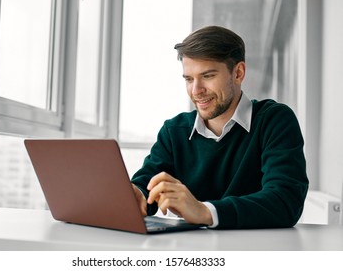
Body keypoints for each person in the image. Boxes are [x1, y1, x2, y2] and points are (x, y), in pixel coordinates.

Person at [131, 25, 309, 229]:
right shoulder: (174, 131)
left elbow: (285, 201)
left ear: (238, 73)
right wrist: (136, 195)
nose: (196, 90)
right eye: (189, 79)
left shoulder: (274, 121)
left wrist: (205, 212)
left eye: (208, 76)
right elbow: (147, 184)